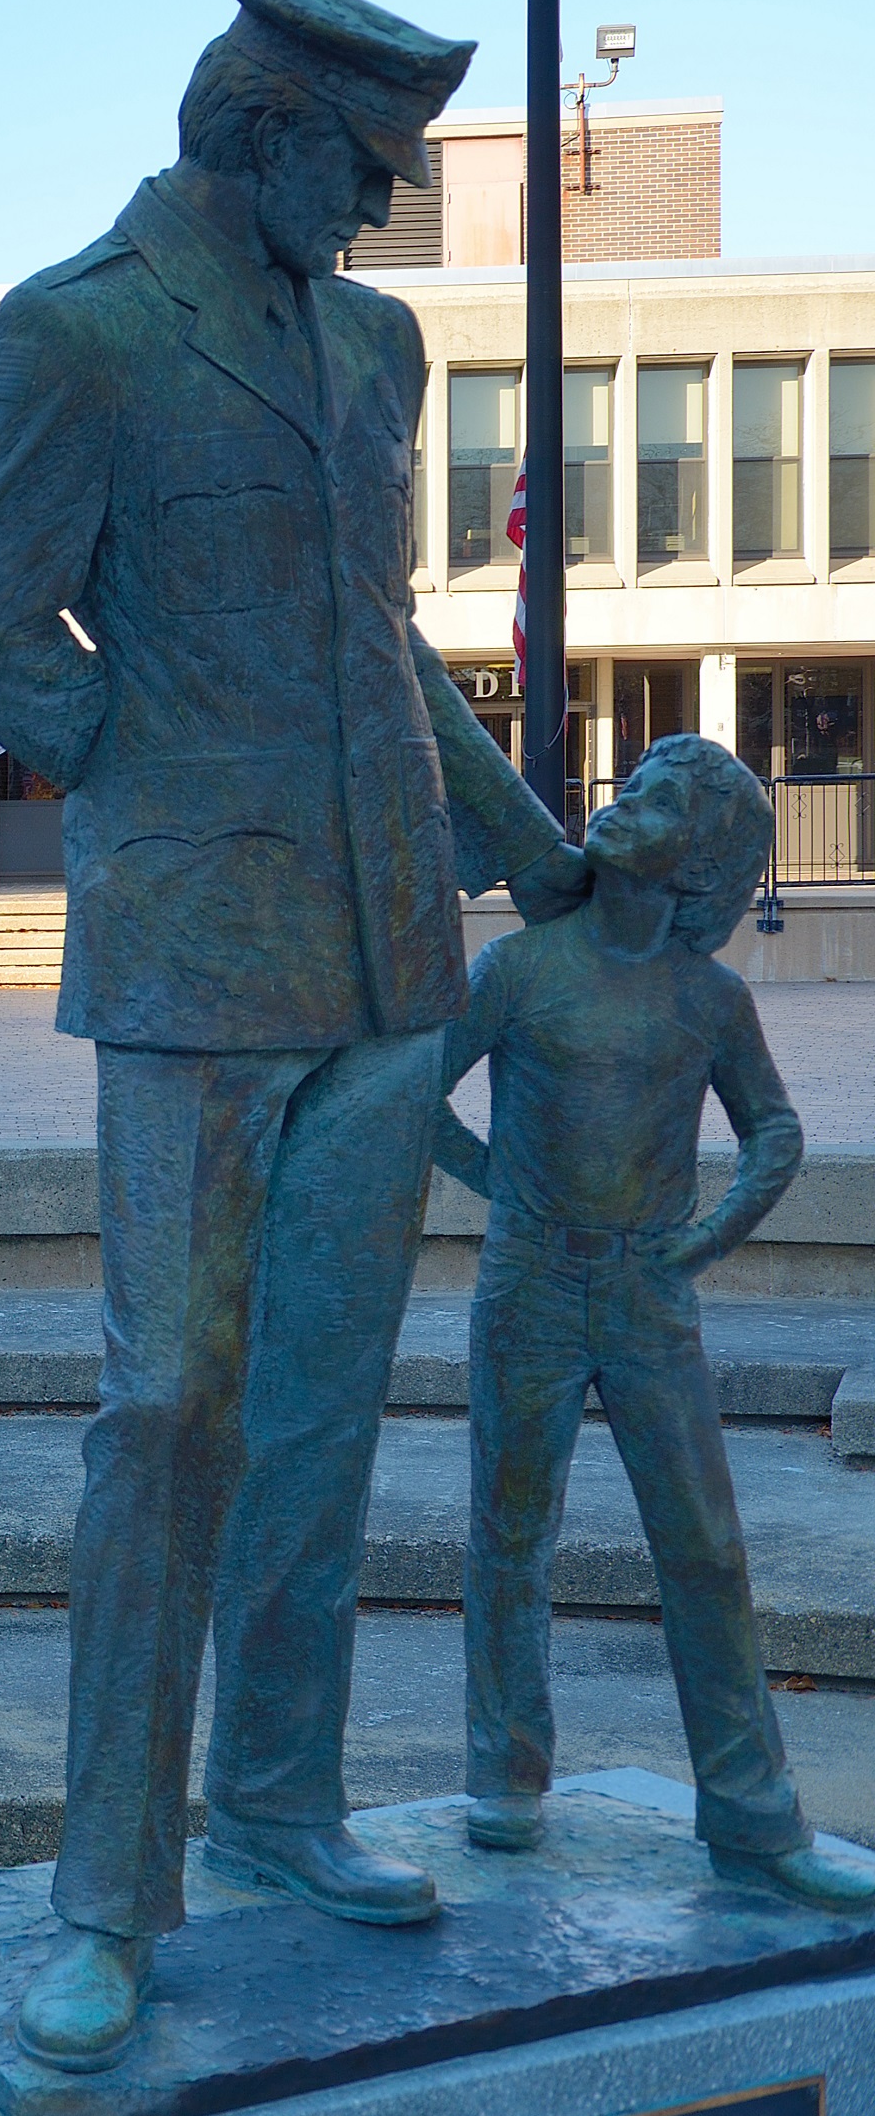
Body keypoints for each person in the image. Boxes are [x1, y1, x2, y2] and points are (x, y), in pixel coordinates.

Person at [0, 0, 591, 2073]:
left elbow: (378, 648)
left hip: (389, 966)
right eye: (370, 168)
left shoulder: (373, 343)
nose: (388, 209)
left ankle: (279, 1804)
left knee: (313, 1418)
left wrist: (535, 849)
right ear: (264, 132)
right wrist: (147, 763)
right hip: (196, 968)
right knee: (164, 1418)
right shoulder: (82, 327)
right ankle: (108, 1891)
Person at [430, 735, 873, 1907]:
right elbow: (414, 1090)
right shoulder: (520, 967)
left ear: (704, 858)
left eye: (661, 798)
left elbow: (773, 1129)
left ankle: (752, 1814)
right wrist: (498, 1189)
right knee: (509, 1530)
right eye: (629, 784)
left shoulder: (709, 997)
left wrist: (711, 1232)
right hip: (528, 1279)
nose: (625, 801)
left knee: (705, 1548)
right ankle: (504, 1776)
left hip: (648, 1293)